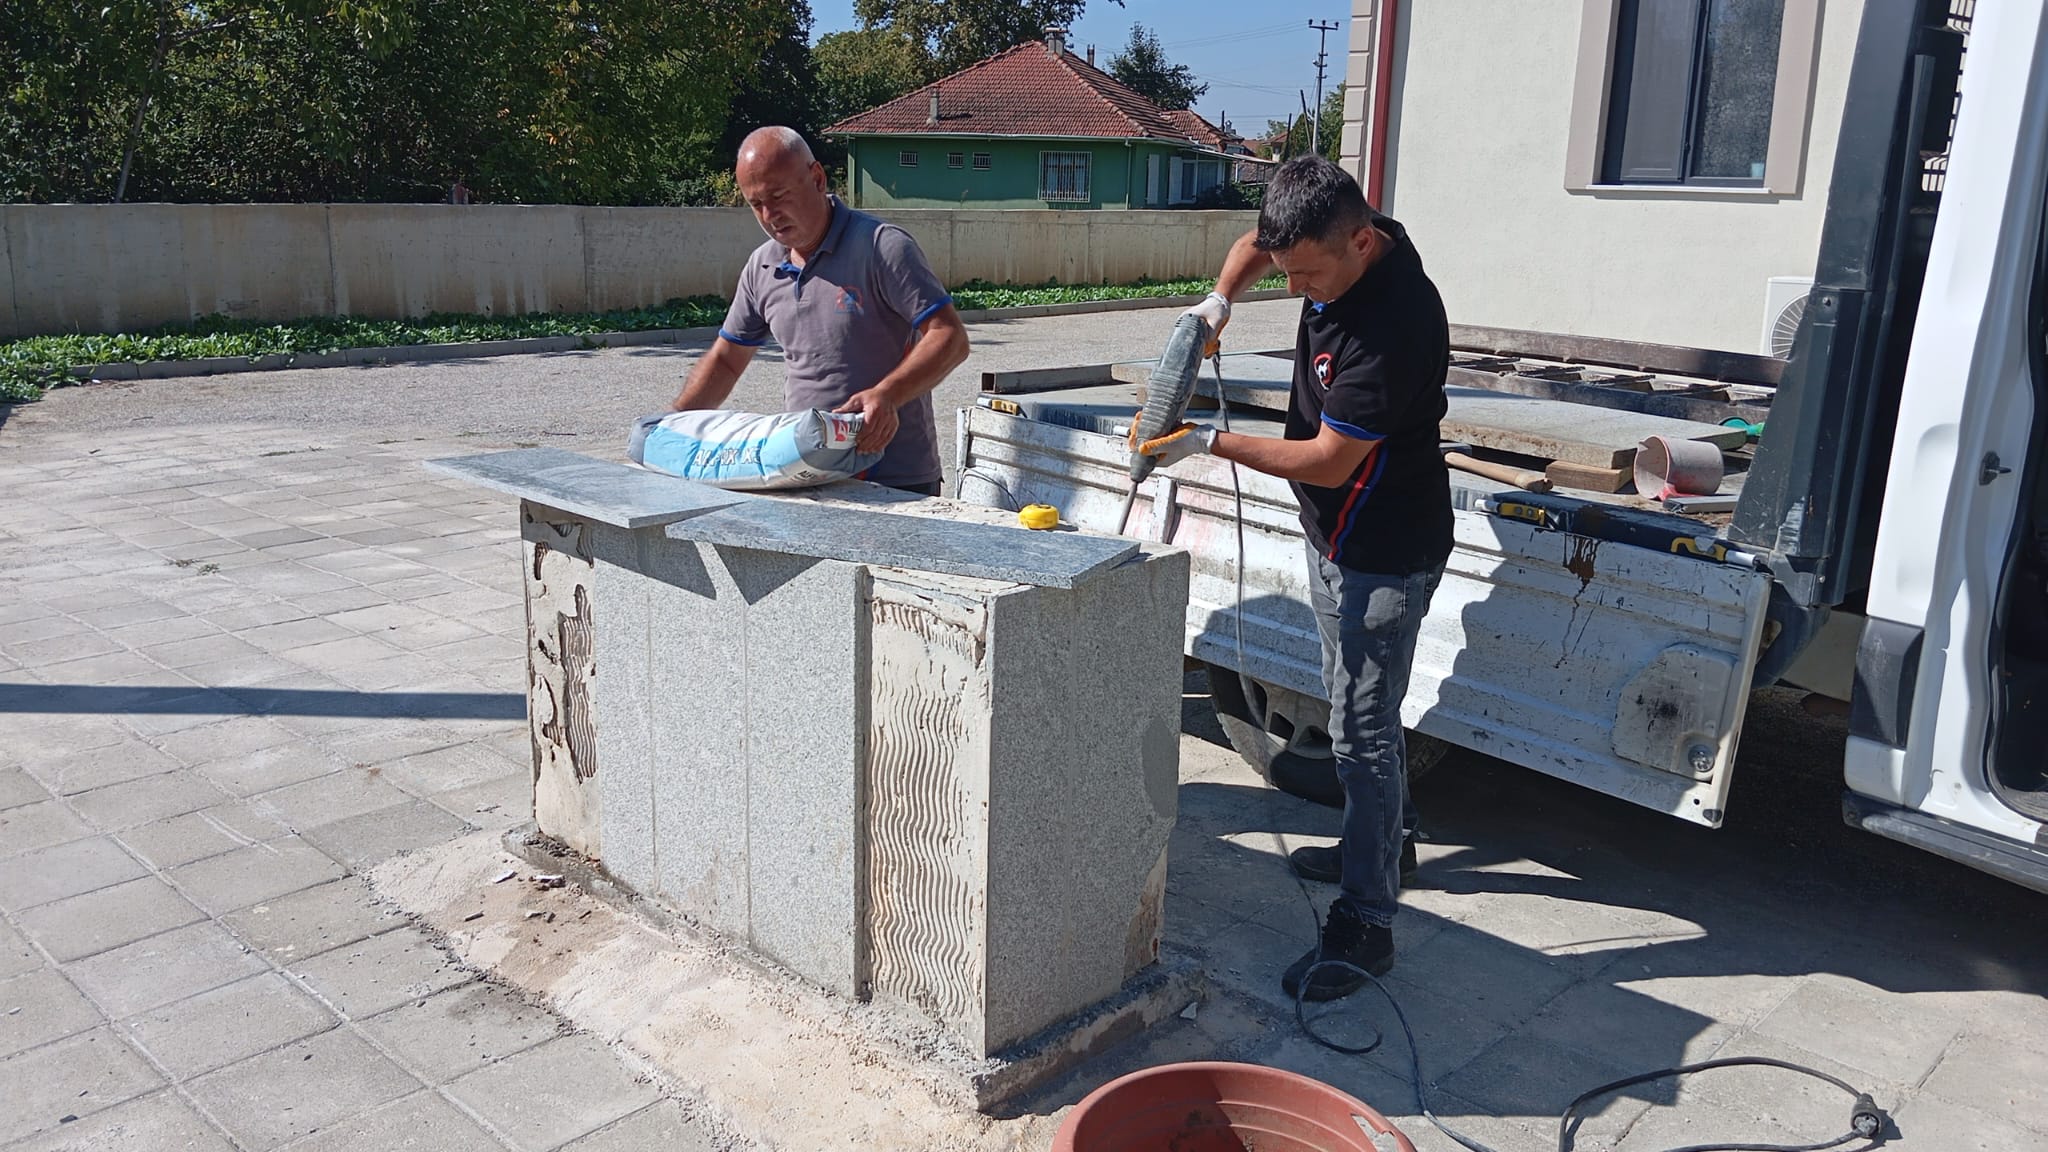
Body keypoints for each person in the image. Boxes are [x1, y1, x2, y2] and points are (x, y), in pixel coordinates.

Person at [1138, 156, 1453, 1001]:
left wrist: (1205, 442)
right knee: (1357, 711)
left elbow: (1327, 460)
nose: (1297, 290)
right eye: (1288, 274)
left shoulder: (1393, 324)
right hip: (1335, 539)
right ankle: (1386, 846)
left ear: (1362, 243)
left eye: (1309, 276)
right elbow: (1259, 244)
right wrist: (1218, 301)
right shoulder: (1331, 235)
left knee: (1360, 734)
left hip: (1385, 549)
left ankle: (1368, 923)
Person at [670, 127, 970, 495]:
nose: (769, 215)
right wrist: (673, 424)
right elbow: (727, 360)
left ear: (816, 178)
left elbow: (949, 337)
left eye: (778, 196)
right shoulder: (762, 267)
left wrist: (888, 394)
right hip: (803, 473)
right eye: (756, 204)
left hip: (894, 477)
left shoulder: (881, 247)